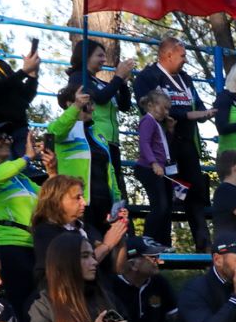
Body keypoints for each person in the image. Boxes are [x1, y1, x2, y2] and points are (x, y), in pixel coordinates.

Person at [134, 38, 214, 248]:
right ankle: (161, 245)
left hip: (187, 144)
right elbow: (149, 111)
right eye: (183, 55)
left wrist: (204, 113)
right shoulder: (148, 77)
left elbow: (198, 104)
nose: (186, 60)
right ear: (168, 55)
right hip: (163, 148)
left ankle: (203, 243)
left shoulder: (186, 78)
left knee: (195, 191)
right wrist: (189, 115)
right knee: (164, 197)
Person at [64, 38, 134, 201]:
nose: (104, 59)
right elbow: (100, 98)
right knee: (101, 189)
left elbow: (124, 105)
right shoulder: (77, 78)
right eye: (100, 55)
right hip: (94, 140)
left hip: (111, 142)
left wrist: (122, 83)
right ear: (86, 56)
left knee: (113, 188)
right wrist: (117, 78)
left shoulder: (100, 82)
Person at [31, 174, 128, 290]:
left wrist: (119, 234)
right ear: (57, 200)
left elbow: (118, 269)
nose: (84, 202)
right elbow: (68, 269)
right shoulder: (46, 232)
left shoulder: (88, 229)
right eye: (77, 197)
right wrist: (106, 245)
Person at [48, 87, 123, 233]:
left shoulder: (98, 133)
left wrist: (117, 200)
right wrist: (76, 107)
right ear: (71, 103)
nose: (93, 108)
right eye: (89, 104)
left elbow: (110, 169)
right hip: (79, 203)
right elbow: (55, 132)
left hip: (104, 203)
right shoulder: (60, 129)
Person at [0, 124, 41, 322]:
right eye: (0, 136)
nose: (7, 140)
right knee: (18, 304)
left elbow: (50, 197)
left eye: (8, 136)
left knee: (34, 304)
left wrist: (53, 168)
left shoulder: (21, 178)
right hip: (8, 247)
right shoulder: (6, 171)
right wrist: (27, 158)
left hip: (32, 246)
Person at [135, 90, 177, 246]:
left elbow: (162, 146)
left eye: (168, 109)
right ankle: (148, 238)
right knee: (159, 205)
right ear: (151, 105)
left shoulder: (158, 124)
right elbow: (144, 143)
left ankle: (164, 242)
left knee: (166, 207)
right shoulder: (148, 120)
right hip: (150, 168)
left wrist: (170, 131)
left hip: (162, 169)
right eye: (163, 108)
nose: (166, 112)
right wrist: (154, 163)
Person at [0, 40, 39, 159]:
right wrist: (24, 71)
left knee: (25, 172)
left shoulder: (2, 65)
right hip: (0, 134)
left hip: (20, 129)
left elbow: (26, 96)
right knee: (7, 172)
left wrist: (32, 75)